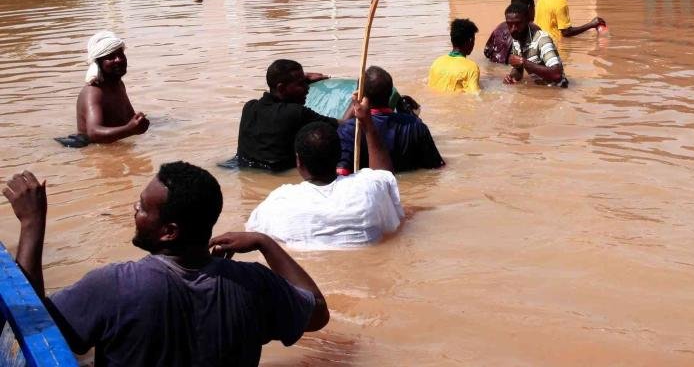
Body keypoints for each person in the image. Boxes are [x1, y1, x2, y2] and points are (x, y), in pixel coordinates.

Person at [2, 163, 329, 367]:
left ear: (169, 232)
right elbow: (317, 312)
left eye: (143, 207)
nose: (135, 209)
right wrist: (264, 242)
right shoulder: (253, 283)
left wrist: (32, 225)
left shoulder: (115, 286)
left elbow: (30, 333)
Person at [246, 99, 404, 249]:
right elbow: (384, 176)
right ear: (339, 155)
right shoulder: (367, 188)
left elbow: (253, 233)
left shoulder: (278, 201)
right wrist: (367, 124)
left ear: (298, 161)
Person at [337, 66, 444, 172]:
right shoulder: (416, 125)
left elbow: (342, 172)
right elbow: (437, 167)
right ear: (391, 93)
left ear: (360, 95)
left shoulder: (349, 129)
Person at [236, 59, 334, 171]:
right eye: (301, 84)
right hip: (277, 174)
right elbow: (342, 125)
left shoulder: (249, 107)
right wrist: (351, 103)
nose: (307, 88)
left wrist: (301, 79)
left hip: (240, 168)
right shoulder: (295, 112)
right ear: (281, 88)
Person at [72, 31, 149, 145]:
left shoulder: (118, 83)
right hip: (94, 150)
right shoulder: (93, 92)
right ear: (98, 62)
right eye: (111, 57)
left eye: (121, 54)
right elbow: (94, 133)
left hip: (117, 146)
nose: (119, 60)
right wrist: (130, 129)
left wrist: (138, 122)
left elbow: (128, 119)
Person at [503, 3, 566, 87]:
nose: (513, 29)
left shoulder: (542, 39)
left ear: (527, 21)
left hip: (558, 90)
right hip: (542, 90)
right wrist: (511, 77)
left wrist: (524, 62)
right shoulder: (517, 39)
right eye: (509, 24)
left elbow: (557, 74)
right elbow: (518, 70)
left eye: (518, 23)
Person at [484, 0, 538, 64]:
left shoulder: (499, 27)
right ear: (530, 7)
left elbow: (486, 51)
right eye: (534, 7)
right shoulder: (533, 30)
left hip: (494, 67)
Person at [428, 18, 481, 93]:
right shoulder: (471, 68)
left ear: (452, 39)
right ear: (470, 40)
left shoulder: (436, 63)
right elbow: (475, 95)